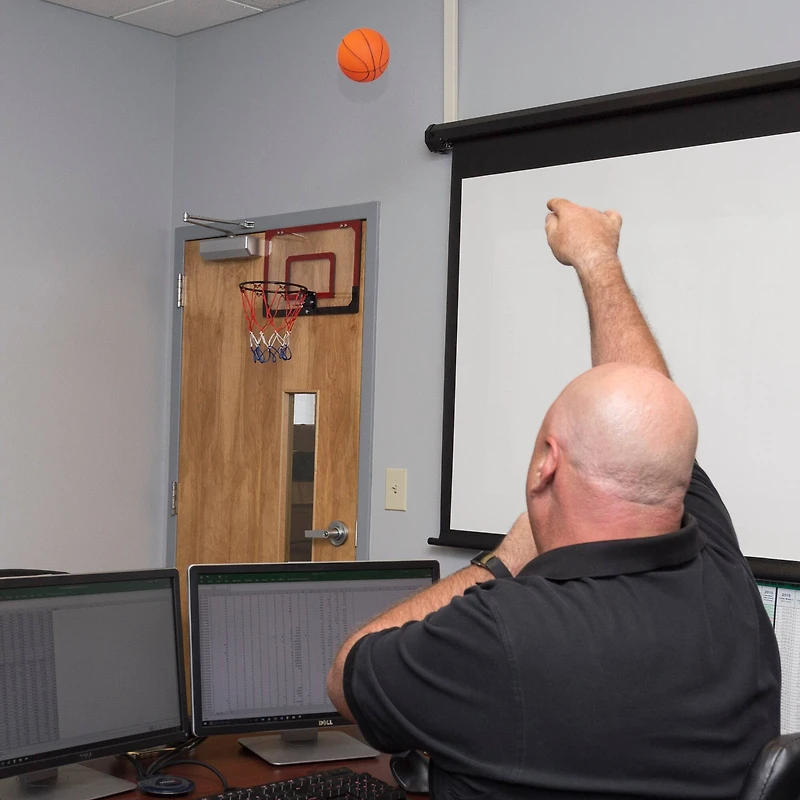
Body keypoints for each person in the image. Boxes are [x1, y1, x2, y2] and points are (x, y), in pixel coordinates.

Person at [326, 199, 780, 800]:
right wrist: (597, 258)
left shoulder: (499, 633)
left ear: (547, 464)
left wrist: (504, 559)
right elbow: (648, 408)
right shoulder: (726, 581)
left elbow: (347, 674)